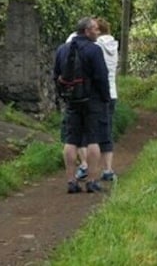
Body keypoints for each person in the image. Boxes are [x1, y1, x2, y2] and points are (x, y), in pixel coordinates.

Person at [53, 17, 110, 194]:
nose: (98, 32)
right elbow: (101, 76)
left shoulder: (62, 49)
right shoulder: (94, 50)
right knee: (93, 140)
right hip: (92, 100)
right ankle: (92, 181)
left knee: (71, 140)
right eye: (95, 29)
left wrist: (63, 96)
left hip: (72, 101)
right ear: (86, 31)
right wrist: (105, 98)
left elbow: (56, 75)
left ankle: (71, 182)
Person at [95, 17, 118, 181]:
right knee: (107, 130)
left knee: (92, 132)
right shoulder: (114, 45)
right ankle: (108, 168)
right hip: (112, 93)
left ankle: (88, 169)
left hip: (99, 94)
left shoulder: (97, 46)